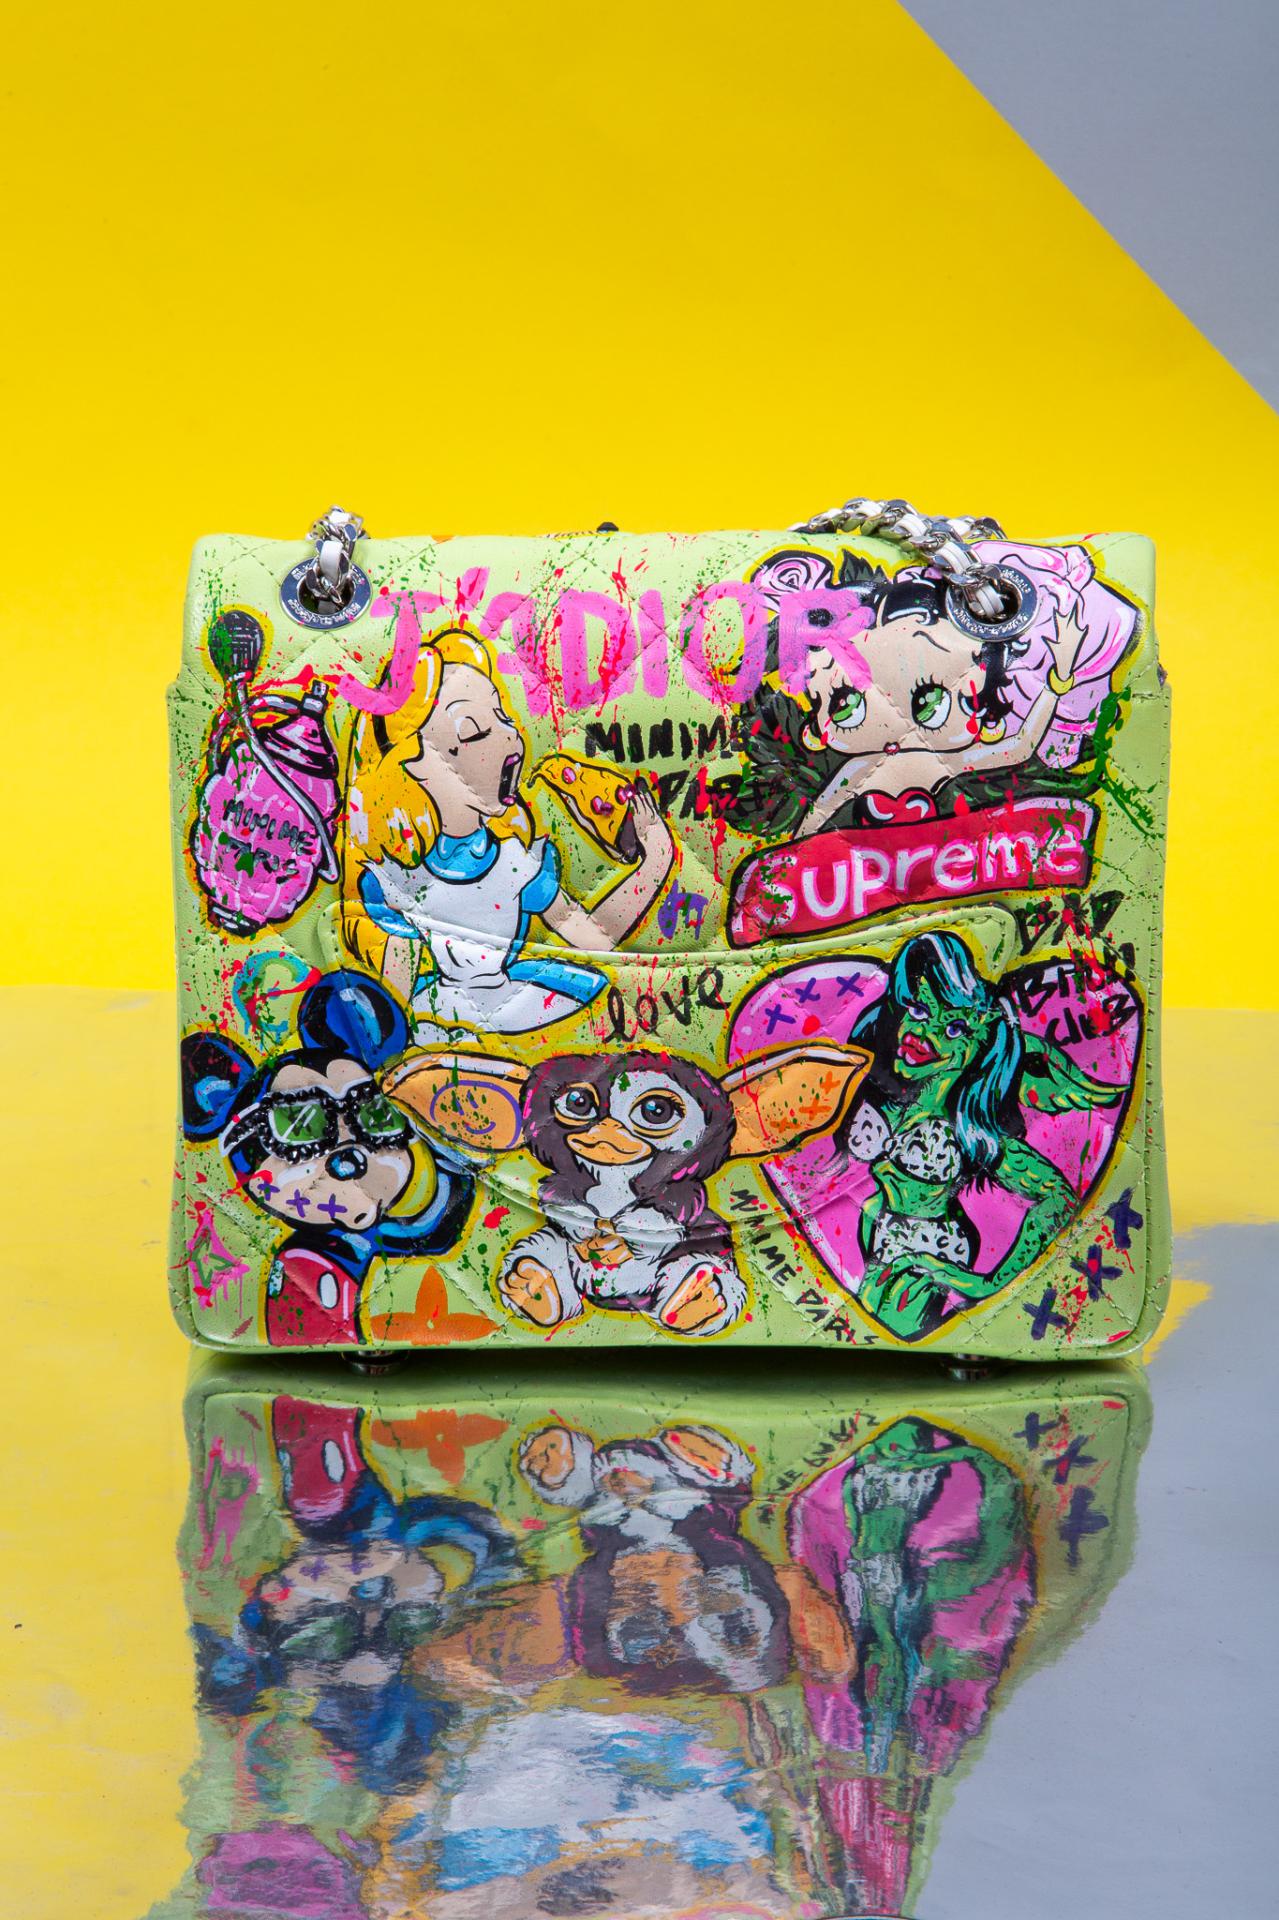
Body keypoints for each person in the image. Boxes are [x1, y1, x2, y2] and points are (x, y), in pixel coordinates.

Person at [341, 625, 673, 1037]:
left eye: (502, 716)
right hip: (435, 1022)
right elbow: (396, 995)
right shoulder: (393, 878)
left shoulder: (514, 862)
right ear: (412, 764)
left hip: (515, 1005)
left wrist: (655, 861)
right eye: (474, 730)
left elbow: (596, 937)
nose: (511, 735)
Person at [736, 540, 1138, 839]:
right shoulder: (856, 771)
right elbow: (815, 820)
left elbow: (1020, 747)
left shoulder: (914, 764)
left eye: (930, 701)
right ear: (814, 730)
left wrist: (1060, 676)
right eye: (845, 706)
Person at [843, 930, 1123, 1339]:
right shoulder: (883, 1089)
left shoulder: (969, 1129)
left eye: (955, 1028)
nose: (924, 1034)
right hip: (872, 1245)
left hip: (924, 1259)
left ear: (980, 1043)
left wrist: (987, 1284)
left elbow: (1057, 1197)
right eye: (918, 1010)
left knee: (893, 1328)